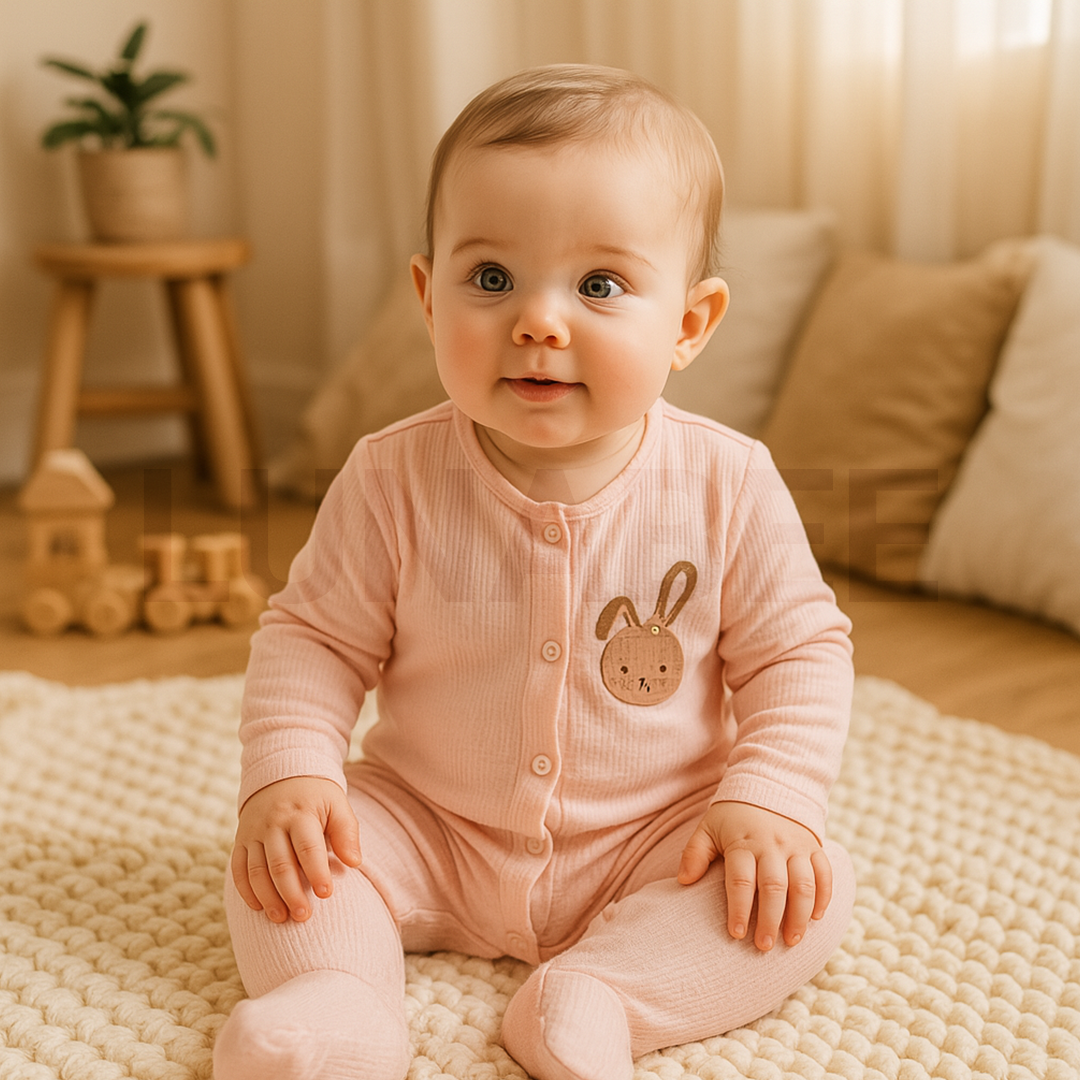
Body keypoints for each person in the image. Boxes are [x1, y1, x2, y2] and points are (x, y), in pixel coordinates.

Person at [214, 64, 856, 1080]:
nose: (539, 321)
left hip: (655, 837)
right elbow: (313, 640)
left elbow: (799, 653)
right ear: (429, 297)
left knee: (801, 895)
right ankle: (338, 1003)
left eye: (599, 285)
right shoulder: (392, 476)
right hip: (429, 824)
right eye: (492, 278)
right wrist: (289, 775)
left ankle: (595, 999)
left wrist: (773, 795)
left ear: (688, 323)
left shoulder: (728, 483)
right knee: (287, 868)